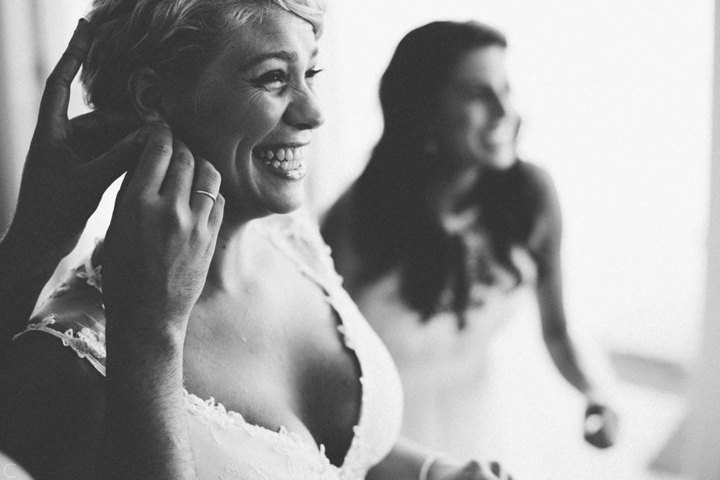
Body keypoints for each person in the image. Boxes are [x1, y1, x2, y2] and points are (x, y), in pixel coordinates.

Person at [0, 4, 512, 480]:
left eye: (310, 74)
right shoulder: (66, 359)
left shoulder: (292, 237)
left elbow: (342, 460)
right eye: (273, 78)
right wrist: (152, 337)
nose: (313, 113)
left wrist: (435, 472)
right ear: (153, 99)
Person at [321, 20, 619, 463]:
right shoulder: (358, 216)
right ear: (424, 109)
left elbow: (557, 332)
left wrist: (596, 394)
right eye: (479, 93)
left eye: (507, 88)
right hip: (389, 436)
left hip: (490, 416)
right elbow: (325, 362)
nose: (504, 111)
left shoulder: (532, 197)